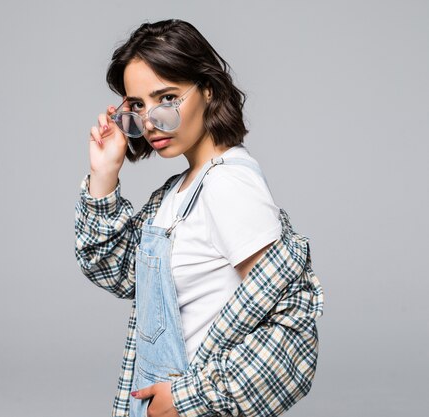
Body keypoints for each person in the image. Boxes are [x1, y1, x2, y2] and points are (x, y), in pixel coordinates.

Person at [74, 19, 324, 417]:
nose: (151, 120)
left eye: (167, 98)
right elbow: (117, 272)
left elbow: (293, 332)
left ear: (208, 90)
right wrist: (105, 173)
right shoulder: (176, 193)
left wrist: (187, 399)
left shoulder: (229, 185)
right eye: (137, 106)